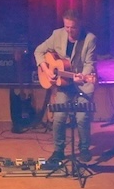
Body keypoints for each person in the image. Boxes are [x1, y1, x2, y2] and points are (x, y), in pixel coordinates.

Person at [33, 10, 97, 163]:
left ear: (80, 25)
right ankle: (58, 150)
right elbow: (38, 51)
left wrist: (83, 76)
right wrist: (46, 70)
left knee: (82, 118)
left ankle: (84, 149)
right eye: (66, 27)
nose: (69, 31)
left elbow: (89, 63)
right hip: (64, 84)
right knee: (59, 117)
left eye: (73, 27)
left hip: (82, 84)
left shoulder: (89, 39)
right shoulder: (57, 34)